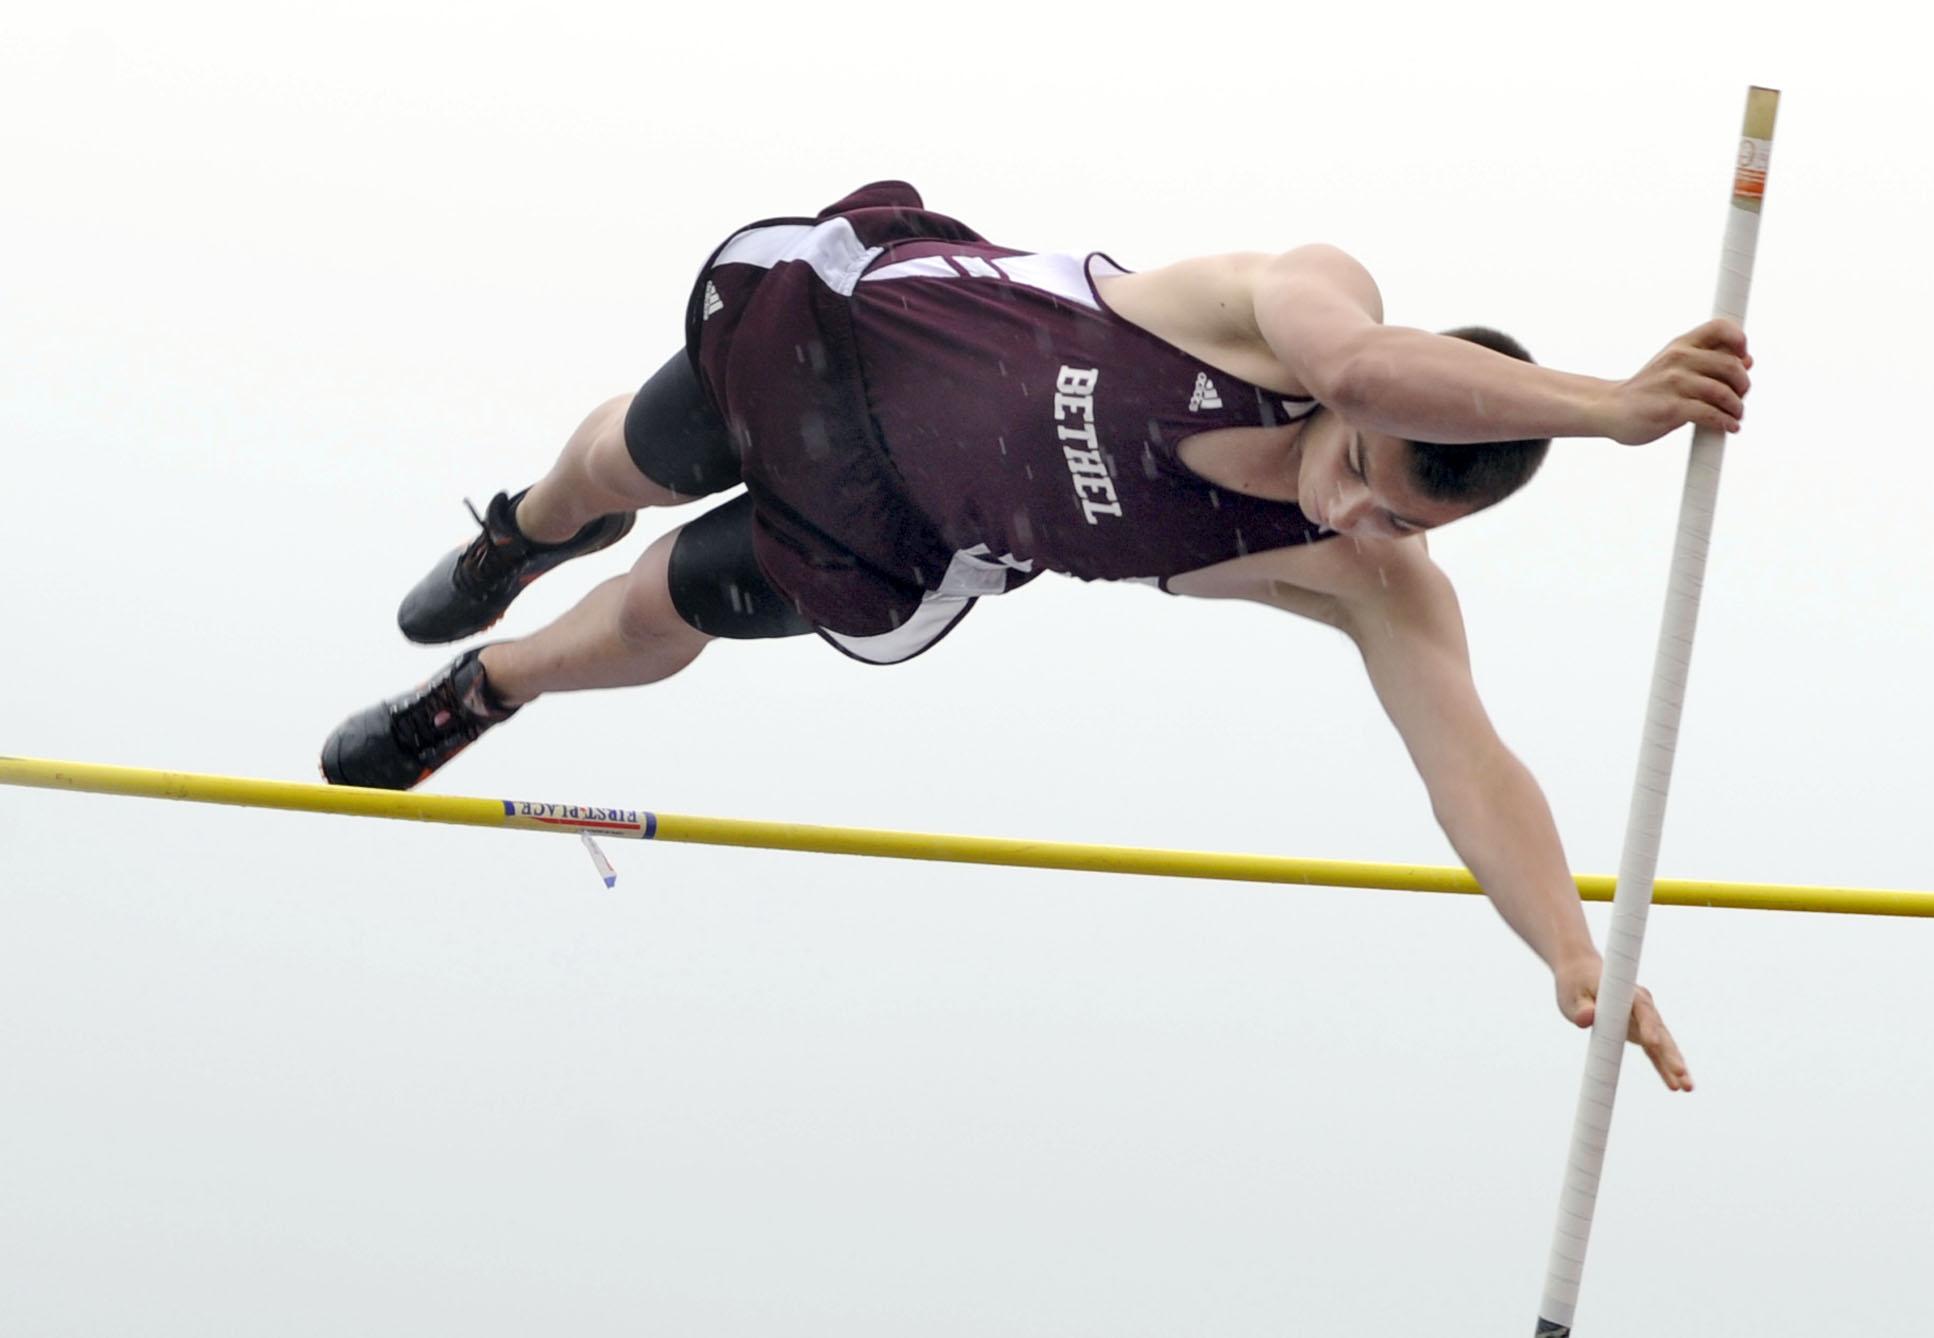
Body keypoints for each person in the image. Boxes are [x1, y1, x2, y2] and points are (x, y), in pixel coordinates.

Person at [322, 182, 1753, 1091]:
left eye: (1396, 515)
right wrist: (1614, 407)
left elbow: (1473, 772)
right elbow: (1364, 367)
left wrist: (1570, 946)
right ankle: (515, 533)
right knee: (617, 476)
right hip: (851, 342)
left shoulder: (1379, 583)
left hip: (894, 528)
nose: (1361, 513)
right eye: (1365, 469)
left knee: (657, 608)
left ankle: (480, 690)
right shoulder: (1296, 309)